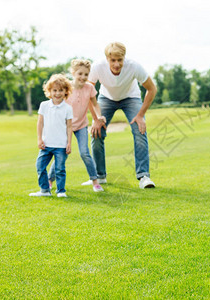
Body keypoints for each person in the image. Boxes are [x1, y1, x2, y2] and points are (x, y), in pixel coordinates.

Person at [88, 42, 157, 189]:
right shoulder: (97, 67)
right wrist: (95, 118)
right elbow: (88, 92)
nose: (117, 64)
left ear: (124, 58)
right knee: (96, 132)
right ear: (107, 59)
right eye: (113, 60)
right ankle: (99, 176)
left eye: (120, 60)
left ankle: (144, 176)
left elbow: (152, 89)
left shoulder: (134, 66)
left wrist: (140, 115)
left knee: (140, 130)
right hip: (106, 98)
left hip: (130, 97)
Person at [48, 59, 106, 192]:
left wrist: (99, 116)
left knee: (85, 153)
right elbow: (56, 103)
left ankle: (95, 182)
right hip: (64, 127)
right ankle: (50, 180)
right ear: (73, 73)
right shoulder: (66, 88)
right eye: (80, 74)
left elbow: (95, 105)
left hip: (81, 126)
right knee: (61, 153)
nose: (83, 77)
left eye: (86, 74)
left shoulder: (90, 88)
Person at [29, 74, 73, 197]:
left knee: (60, 170)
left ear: (66, 91)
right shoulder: (44, 105)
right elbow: (40, 123)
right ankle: (44, 190)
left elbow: (69, 127)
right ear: (49, 91)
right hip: (46, 144)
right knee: (40, 166)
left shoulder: (68, 108)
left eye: (61, 90)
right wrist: (39, 139)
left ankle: (61, 191)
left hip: (61, 145)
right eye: (54, 90)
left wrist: (69, 143)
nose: (57, 93)